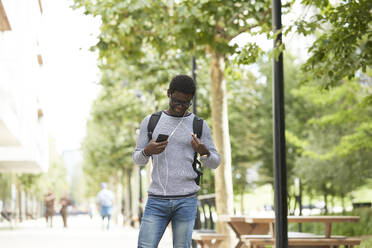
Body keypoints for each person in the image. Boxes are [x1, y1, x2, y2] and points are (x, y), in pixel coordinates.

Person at [133, 74, 221, 248]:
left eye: (186, 103)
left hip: (186, 200)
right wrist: (146, 151)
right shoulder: (151, 122)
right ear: (169, 94)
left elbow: (215, 162)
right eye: (177, 101)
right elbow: (138, 159)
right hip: (156, 200)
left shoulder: (199, 125)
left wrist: (204, 152)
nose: (180, 107)